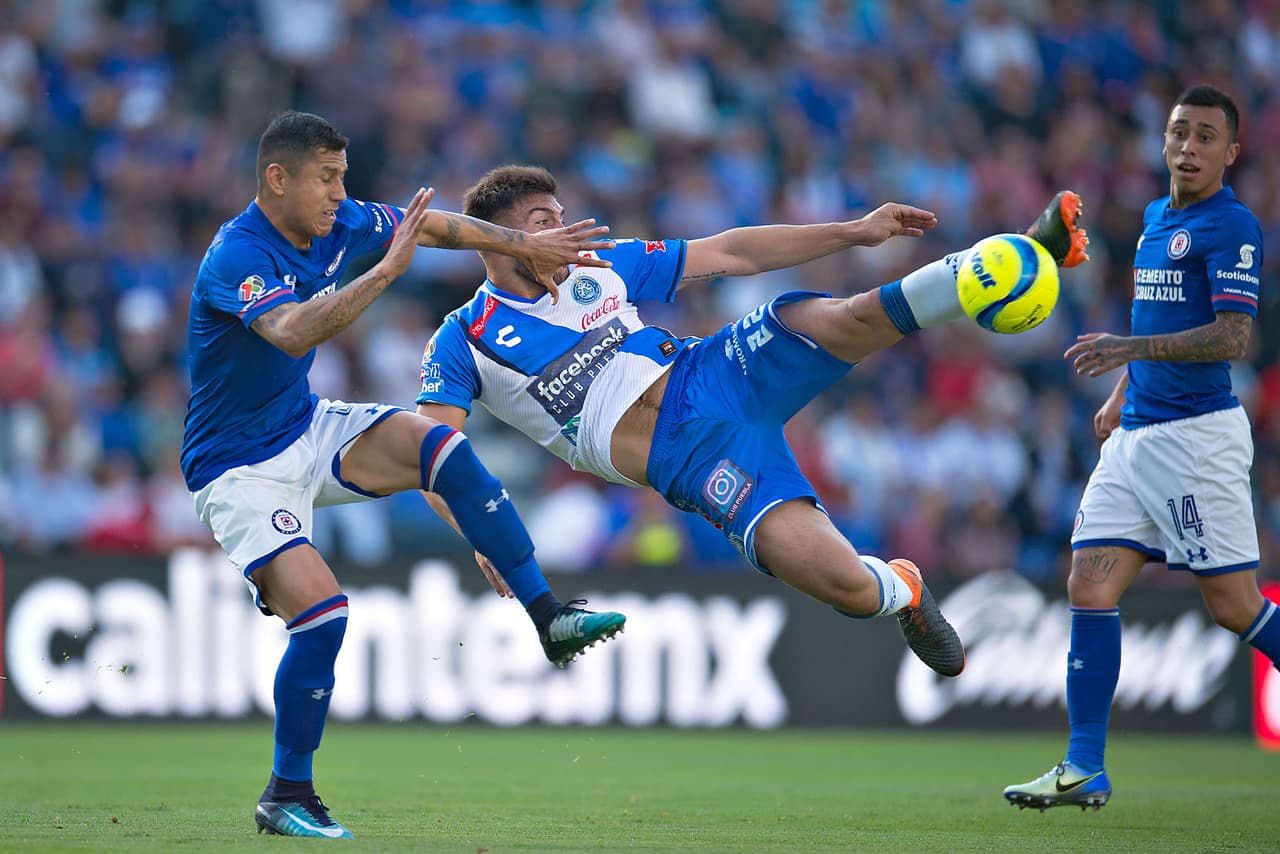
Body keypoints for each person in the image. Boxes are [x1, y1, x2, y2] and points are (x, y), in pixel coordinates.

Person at [415, 164, 1090, 685]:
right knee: (850, 591)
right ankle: (904, 587)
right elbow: (430, 453)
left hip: (715, 371)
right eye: (546, 221)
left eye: (565, 215)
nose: (571, 232)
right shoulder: (463, 339)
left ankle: (1011, 257)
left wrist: (852, 230)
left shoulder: (601, 264)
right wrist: (482, 537)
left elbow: (730, 252)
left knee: (852, 317)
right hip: (698, 462)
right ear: (499, 239)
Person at [180, 112, 628, 839]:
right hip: (237, 470)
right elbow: (292, 330)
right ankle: (286, 793)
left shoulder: (340, 222)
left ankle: (549, 618)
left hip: (303, 425)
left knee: (440, 451)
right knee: (323, 616)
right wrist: (388, 272)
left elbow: (442, 229)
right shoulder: (236, 256)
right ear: (277, 178)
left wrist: (525, 243)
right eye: (326, 177)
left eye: (343, 176)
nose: (339, 192)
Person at [1004, 84, 1279, 812]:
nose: (1189, 147)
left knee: (1233, 605)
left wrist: (1130, 348)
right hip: (1136, 436)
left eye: (1205, 137)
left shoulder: (1233, 226)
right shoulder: (1156, 218)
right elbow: (1155, 311)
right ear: (1164, 141)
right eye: (1179, 133)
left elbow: (1231, 337)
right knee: (1088, 585)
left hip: (1195, 440)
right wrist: (1125, 388)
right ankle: (1082, 767)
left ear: (1230, 151)